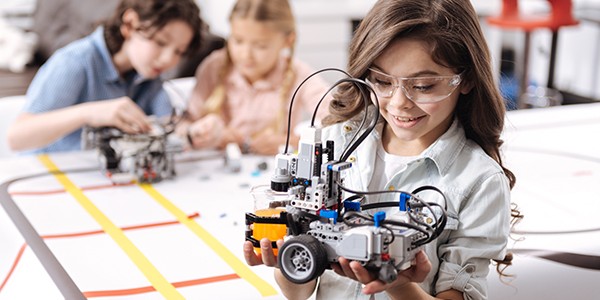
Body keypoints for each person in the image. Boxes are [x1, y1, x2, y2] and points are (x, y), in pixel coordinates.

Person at [243, 0, 521, 299]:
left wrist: (399, 284)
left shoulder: (479, 182)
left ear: (465, 79)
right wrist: (290, 260)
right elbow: (298, 293)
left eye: (424, 85)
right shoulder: (334, 142)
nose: (399, 102)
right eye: (382, 81)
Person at [7, 0, 204, 153]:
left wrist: (194, 131)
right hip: (47, 177)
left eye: (179, 52)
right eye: (160, 43)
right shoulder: (75, 62)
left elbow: (168, 121)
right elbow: (17, 137)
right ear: (130, 24)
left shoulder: (148, 73)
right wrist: (89, 113)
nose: (168, 60)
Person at [180, 0, 330, 155]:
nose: (246, 55)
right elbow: (183, 125)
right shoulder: (213, 67)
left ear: (288, 41)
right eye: (238, 41)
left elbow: (339, 122)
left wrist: (294, 141)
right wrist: (196, 132)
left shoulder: (299, 74)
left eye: (260, 46)